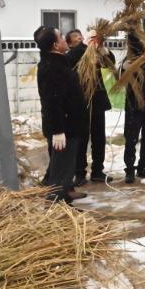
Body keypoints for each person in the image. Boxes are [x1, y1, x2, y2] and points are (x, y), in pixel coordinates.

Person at [35, 26, 89, 203]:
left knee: (68, 164)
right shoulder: (51, 68)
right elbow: (53, 101)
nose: (65, 40)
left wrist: (89, 43)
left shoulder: (58, 61)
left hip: (71, 124)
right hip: (64, 126)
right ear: (55, 45)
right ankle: (56, 202)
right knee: (61, 167)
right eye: (61, 38)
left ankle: (65, 193)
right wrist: (58, 130)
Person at [67, 28, 115, 185]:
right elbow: (73, 59)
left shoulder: (94, 52)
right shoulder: (71, 56)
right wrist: (86, 45)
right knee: (81, 138)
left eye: (81, 36)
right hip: (79, 103)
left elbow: (110, 63)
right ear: (69, 44)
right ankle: (79, 173)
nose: (80, 39)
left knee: (99, 137)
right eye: (76, 38)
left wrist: (102, 48)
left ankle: (98, 171)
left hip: (97, 101)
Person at [121, 31, 145, 184]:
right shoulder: (129, 60)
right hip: (133, 104)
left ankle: (143, 167)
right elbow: (120, 79)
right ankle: (129, 169)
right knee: (131, 138)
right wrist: (124, 68)